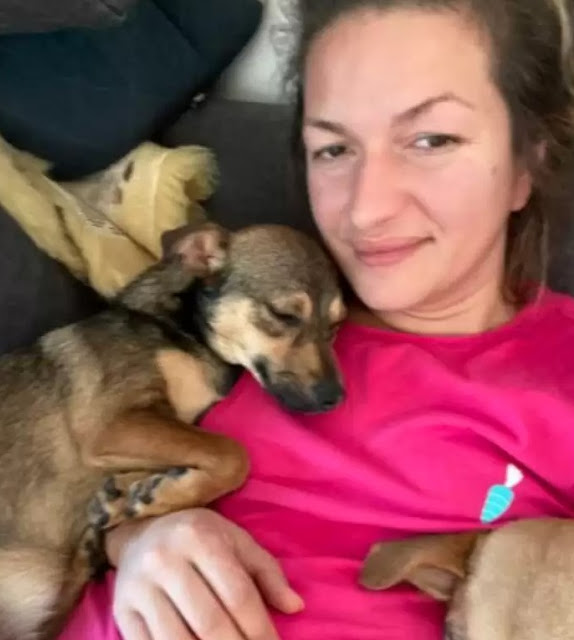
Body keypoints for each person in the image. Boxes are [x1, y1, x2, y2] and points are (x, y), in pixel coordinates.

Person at [57, 0, 574, 638]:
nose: (365, 208)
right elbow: (52, 475)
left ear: (528, 163)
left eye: (431, 139)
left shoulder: (561, 365)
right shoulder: (232, 320)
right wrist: (135, 539)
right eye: (333, 149)